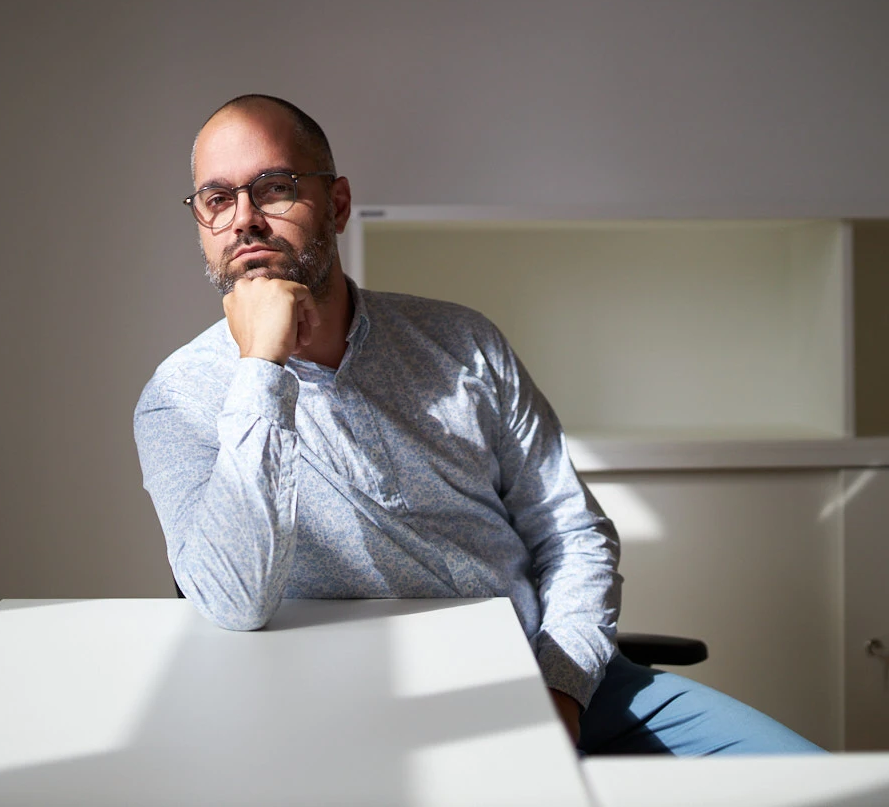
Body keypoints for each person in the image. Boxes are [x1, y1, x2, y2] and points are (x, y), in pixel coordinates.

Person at [133, 94, 822, 756]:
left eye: (275, 188)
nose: (244, 220)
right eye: (217, 199)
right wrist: (262, 366)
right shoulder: (177, 398)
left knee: (821, 782)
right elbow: (235, 601)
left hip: (558, 677)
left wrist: (562, 689)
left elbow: (570, 531)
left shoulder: (462, 342)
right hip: (360, 711)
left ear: (337, 205)